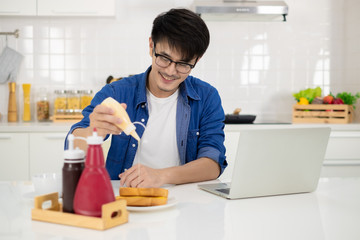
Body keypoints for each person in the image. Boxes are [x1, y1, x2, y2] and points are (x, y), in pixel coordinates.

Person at [66, 8, 227, 188]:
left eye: (183, 64)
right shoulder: (116, 92)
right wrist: (91, 133)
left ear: (197, 60)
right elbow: (72, 146)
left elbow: (213, 163)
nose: (170, 71)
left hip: (185, 201)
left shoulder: (207, 97)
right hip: (124, 200)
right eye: (164, 58)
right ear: (152, 46)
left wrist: (160, 176)